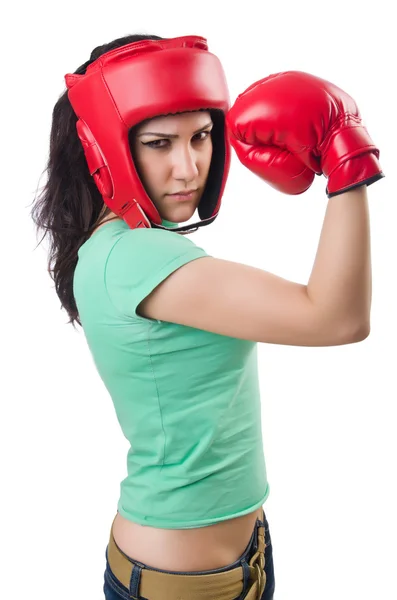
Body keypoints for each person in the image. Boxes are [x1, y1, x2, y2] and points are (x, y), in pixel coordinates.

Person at [30, 32, 383, 600]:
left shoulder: (115, 247)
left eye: (199, 136)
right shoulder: (135, 258)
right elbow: (337, 318)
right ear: (106, 148)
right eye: (158, 143)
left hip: (224, 558)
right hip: (184, 583)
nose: (188, 166)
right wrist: (348, 159)